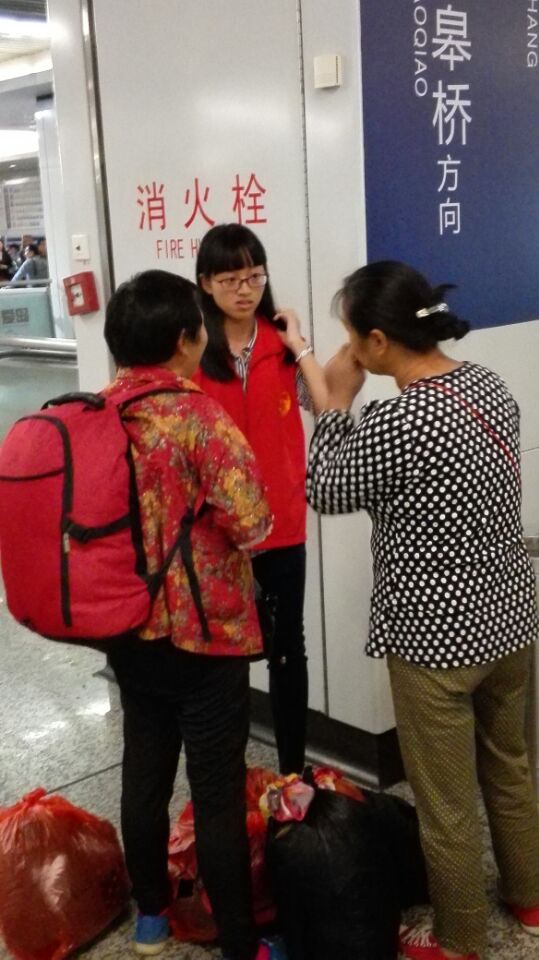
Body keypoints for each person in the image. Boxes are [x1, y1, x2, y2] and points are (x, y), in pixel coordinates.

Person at [305, 260, 539, 960]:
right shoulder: (487, 385)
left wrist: (333, 405)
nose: (349, 351)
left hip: (435, 643)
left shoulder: (396, 420)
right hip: (509, 618)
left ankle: (459, 937)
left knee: (445, 801)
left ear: (377, 342)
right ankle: (529, 897)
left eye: (351, 338)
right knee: (509, 765)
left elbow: (326, 490)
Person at [102, 269, 285, 960]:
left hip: (125, 626)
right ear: (185, 339)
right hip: (204, 636)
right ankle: (240, 943)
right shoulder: (198, 416)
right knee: (214, 791)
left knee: (143, 771)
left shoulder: (95, 414)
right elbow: (253, 521)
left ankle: (150, 918)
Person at [194, 223, 327, 775]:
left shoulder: (279, 346)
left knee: (288, 648)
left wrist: (301, 344)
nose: (245, 289)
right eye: (230, 279)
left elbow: (323, 402)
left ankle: (294, 774)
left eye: (254, 276)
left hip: (281, 524)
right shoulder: (192, 350)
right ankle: (224, 777)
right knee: (222, 656)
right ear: (206, 283)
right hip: (216, 532)